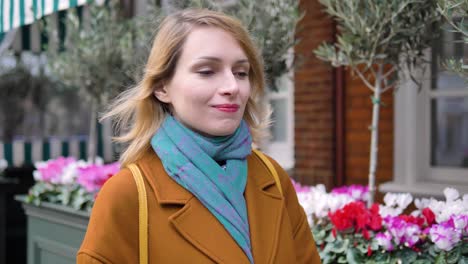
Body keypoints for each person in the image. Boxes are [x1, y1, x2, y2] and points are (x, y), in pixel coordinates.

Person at [77, 8, 321, 264]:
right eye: (206, 71)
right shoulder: (126, 195)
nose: (232, 87)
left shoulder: (272, 177)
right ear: (162, 87)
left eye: (240, 72)